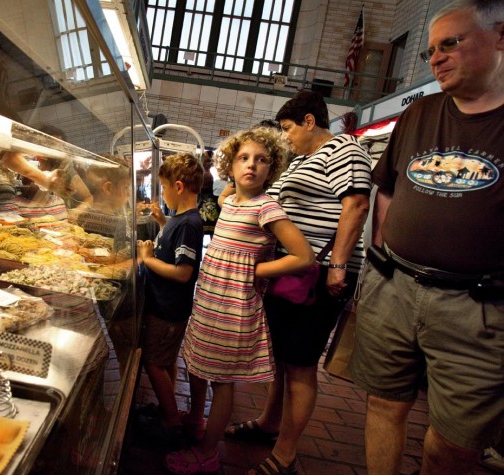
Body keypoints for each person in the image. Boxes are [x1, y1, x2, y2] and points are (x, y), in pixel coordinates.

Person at [348, 2, 504, 475]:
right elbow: (388, 192)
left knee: (455, 443)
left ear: (500, 37)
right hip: (393, 287)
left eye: (450, 43)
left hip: (478, 308)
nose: (436, 58)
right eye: (430, 50)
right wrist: (379, 265)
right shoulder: (419, 113)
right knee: (383, 405)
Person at [226, 90, 372, 475]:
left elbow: (355, 204)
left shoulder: (344, 149)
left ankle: (285, 454)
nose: (286, 137)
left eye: (289, 128)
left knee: (302, 364)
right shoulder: (302, 160)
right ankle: (269, 424)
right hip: (291, 272)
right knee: (282, 357)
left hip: (319, 273)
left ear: (310, 121)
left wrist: (338, 264)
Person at [164, 128, 315, 474]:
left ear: (272, 168)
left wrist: (258, 267)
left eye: (262, 160)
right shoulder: (229, 200)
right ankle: (198, 421)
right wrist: (230, 185)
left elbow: (303, 255)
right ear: (229, 165)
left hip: (235, 306)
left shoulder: (267, 208)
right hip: (210, 300)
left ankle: (207, 453)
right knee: (198, 364)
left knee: (222, 379)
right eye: (243, 158)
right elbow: (224, 198)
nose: (252, 166)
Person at [135, 153, 205, 445]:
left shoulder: (188, 223)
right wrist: (163, 221)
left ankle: (171, 421)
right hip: (169, 308)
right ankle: (169, 407)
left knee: (153, 362)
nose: (162, 194)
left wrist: (147, 259)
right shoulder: (178, 220)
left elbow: (182, 273)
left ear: (178, 187)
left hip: (167, 309)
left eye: (163, 188)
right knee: (164, 361)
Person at [198, 151, 220, 237]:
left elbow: (201, 189)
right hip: (208, 203)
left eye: (204, 156)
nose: (202, 158)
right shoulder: (207, 174)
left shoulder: (206, 174)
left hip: (205, 204)